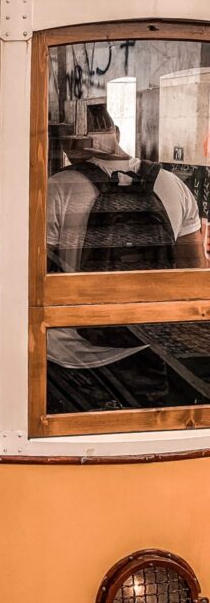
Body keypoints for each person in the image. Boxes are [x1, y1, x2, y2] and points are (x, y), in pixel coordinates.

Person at [46, 107, 205, 412]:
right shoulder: (174, 186)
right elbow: (193, 277)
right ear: (116, 132)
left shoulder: (57, 188)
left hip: (70, 357)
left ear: (72, 141)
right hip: (147, 349)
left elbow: (35, 276)